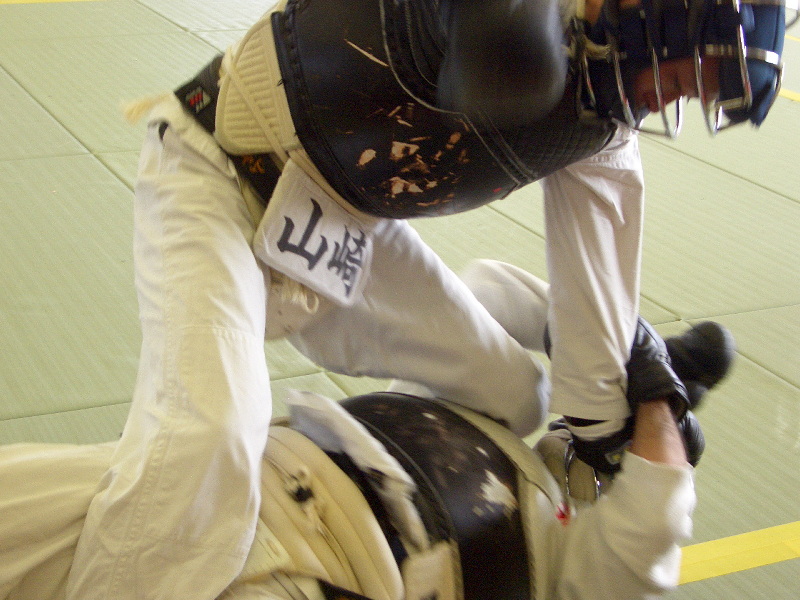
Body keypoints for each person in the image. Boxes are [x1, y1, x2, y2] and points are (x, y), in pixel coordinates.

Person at [59, 0, 787, 597]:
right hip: (212, 182)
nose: (679, 98)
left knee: (515, 391)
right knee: (210, 443)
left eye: (700, 96)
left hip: (336, 232)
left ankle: (496, 312)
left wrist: (629, 400)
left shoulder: (602, 130)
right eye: (693, 73)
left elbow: (595, 288)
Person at [1, 387, 698, 600]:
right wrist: (600, 342)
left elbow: (654, 519)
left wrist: (659, 394)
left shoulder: (587, 566)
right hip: (215, 473)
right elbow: (492, 297)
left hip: (303, 568)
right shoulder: (509, 410)